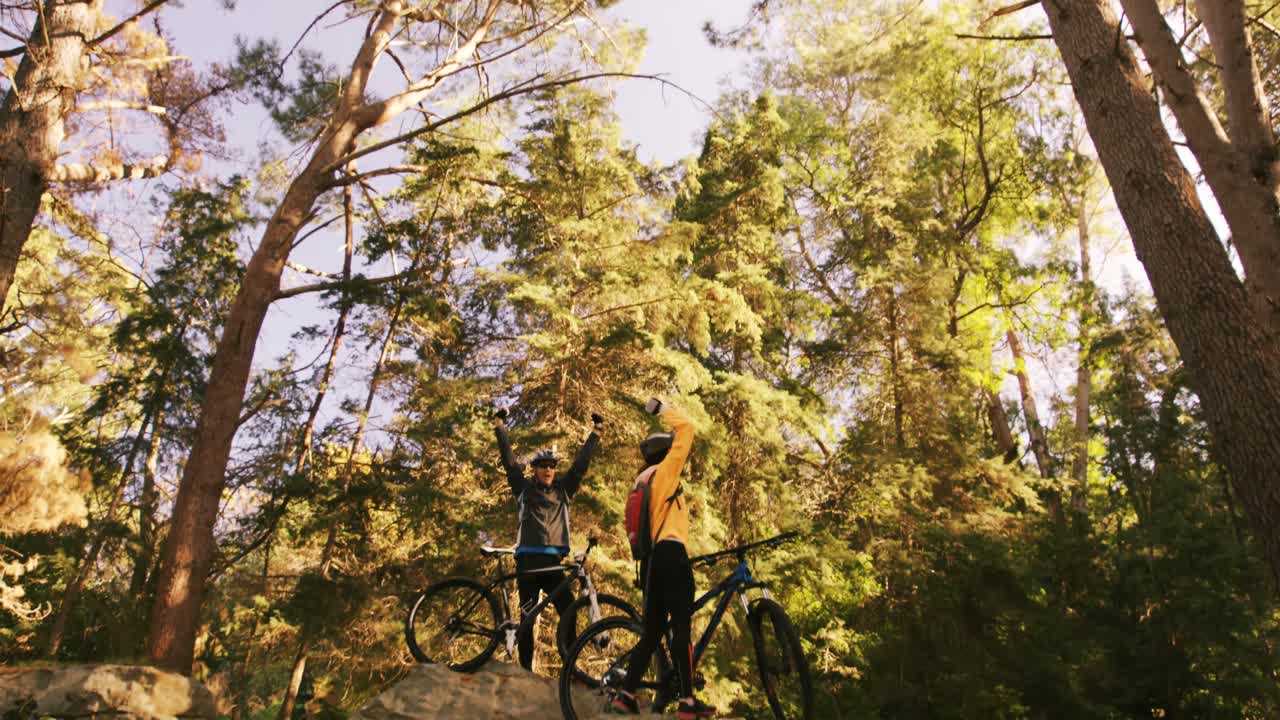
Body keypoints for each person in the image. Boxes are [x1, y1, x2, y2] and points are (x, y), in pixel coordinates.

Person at [607, 397, 715, 719]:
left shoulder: (641, 482)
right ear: (666, 453)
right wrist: (663, 408)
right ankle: (687, 703)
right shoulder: (666, 472)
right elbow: (687, 428)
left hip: (651, 564)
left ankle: (625, 696)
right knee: (681, 629)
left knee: (652, 634)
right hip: (671, 555)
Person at [492, 406, 603, 671]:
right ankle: (525, 671)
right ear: (535, 471)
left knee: (569, 613)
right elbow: (509, 462)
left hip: (554, 563)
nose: (548, 470)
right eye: (543, 467)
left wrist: (595, 433)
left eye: (552, 467)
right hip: (529, 562)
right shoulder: (524, 489)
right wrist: (499, 427)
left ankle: (570, 670)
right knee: (527, 618)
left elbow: (581, 464)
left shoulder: (564, 490)